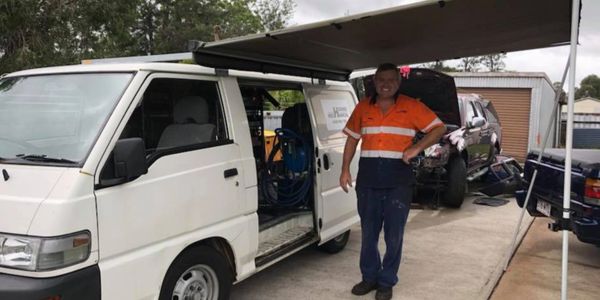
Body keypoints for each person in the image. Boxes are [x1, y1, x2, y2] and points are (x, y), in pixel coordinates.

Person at [340, 63, 446, 300]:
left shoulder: (411, 106)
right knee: (368, 233)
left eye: (390, 80)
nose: (385, 84)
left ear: (398, 83)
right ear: (374, 82)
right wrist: (345, 170)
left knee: (393, 234)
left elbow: (438, 128)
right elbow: (351, 141)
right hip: (368, 179)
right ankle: (369, 277)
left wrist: (416, 148)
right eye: (381, 80)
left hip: (398, 181)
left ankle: (386, 281)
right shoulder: (362, 107)